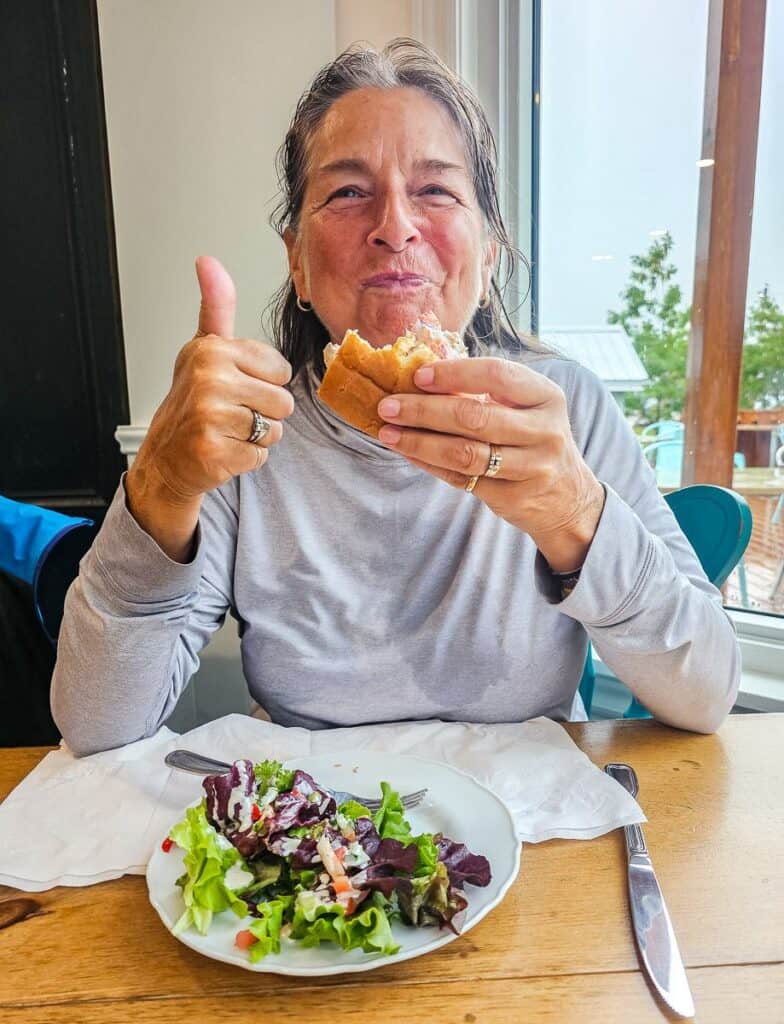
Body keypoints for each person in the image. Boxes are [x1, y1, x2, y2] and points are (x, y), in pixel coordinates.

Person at [51, 40, 740, 756]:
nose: (395, 226)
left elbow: (707, 693)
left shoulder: (565, 406)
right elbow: (97, 725)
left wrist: (573, 511)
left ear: (488, 254)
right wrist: (161, 481)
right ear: (298, 263)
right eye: (348, 192)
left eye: (437, 190)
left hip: (536, 828)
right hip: (312, 832)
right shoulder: (250, 425)